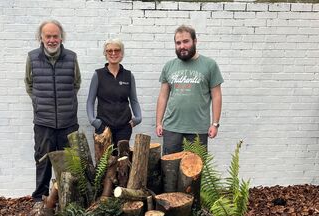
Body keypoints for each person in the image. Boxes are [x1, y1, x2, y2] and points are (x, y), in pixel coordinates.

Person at [25, 20, 81, 203]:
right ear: (41, 38)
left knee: (69, 162)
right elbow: (29, 84)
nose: (51, 40)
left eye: (55, 36)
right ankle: (39, 199)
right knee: (42, 161)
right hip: (43, 122)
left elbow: (76, 83)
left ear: (61, 37)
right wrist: (38, 102)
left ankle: (70, 201)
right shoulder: (32, 58)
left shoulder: (72, 58)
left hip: (68, 122)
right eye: (48, 36)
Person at [155, 25, 223, 154]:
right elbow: (163, 96)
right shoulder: (169, 66)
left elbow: (217, 96)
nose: (182, 46)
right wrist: (158, 122)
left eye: (186, 41)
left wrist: (215, 124)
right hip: (171, 128)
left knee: (195, 171)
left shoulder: (210, 65)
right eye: (178, 43)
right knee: (170, 170)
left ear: (195, 41)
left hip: (198, 129)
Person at [86, 38, 142, 146]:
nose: (113, 53)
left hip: (124, 127)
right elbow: (90, 101)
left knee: (122, 159)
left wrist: (138, 118)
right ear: (105, 54)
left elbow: (134, 100)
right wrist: (94, 121)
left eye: (117, 50)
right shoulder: (98, 75)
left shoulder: (128, 76)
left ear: (122, 53)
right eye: (109, 51)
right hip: (103, 127)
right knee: (104, 161)